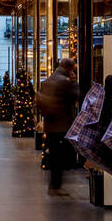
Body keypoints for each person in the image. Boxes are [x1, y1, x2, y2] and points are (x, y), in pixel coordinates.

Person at [36, 58, 81, 193]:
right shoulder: (64, 82)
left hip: (50, 125)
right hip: (62, 126)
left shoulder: (50, 79)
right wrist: (74, 82)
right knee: (60, 156)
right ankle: (55, 186)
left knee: (55, 155)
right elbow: (77, 96)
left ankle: (54, 185)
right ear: (70, 69)